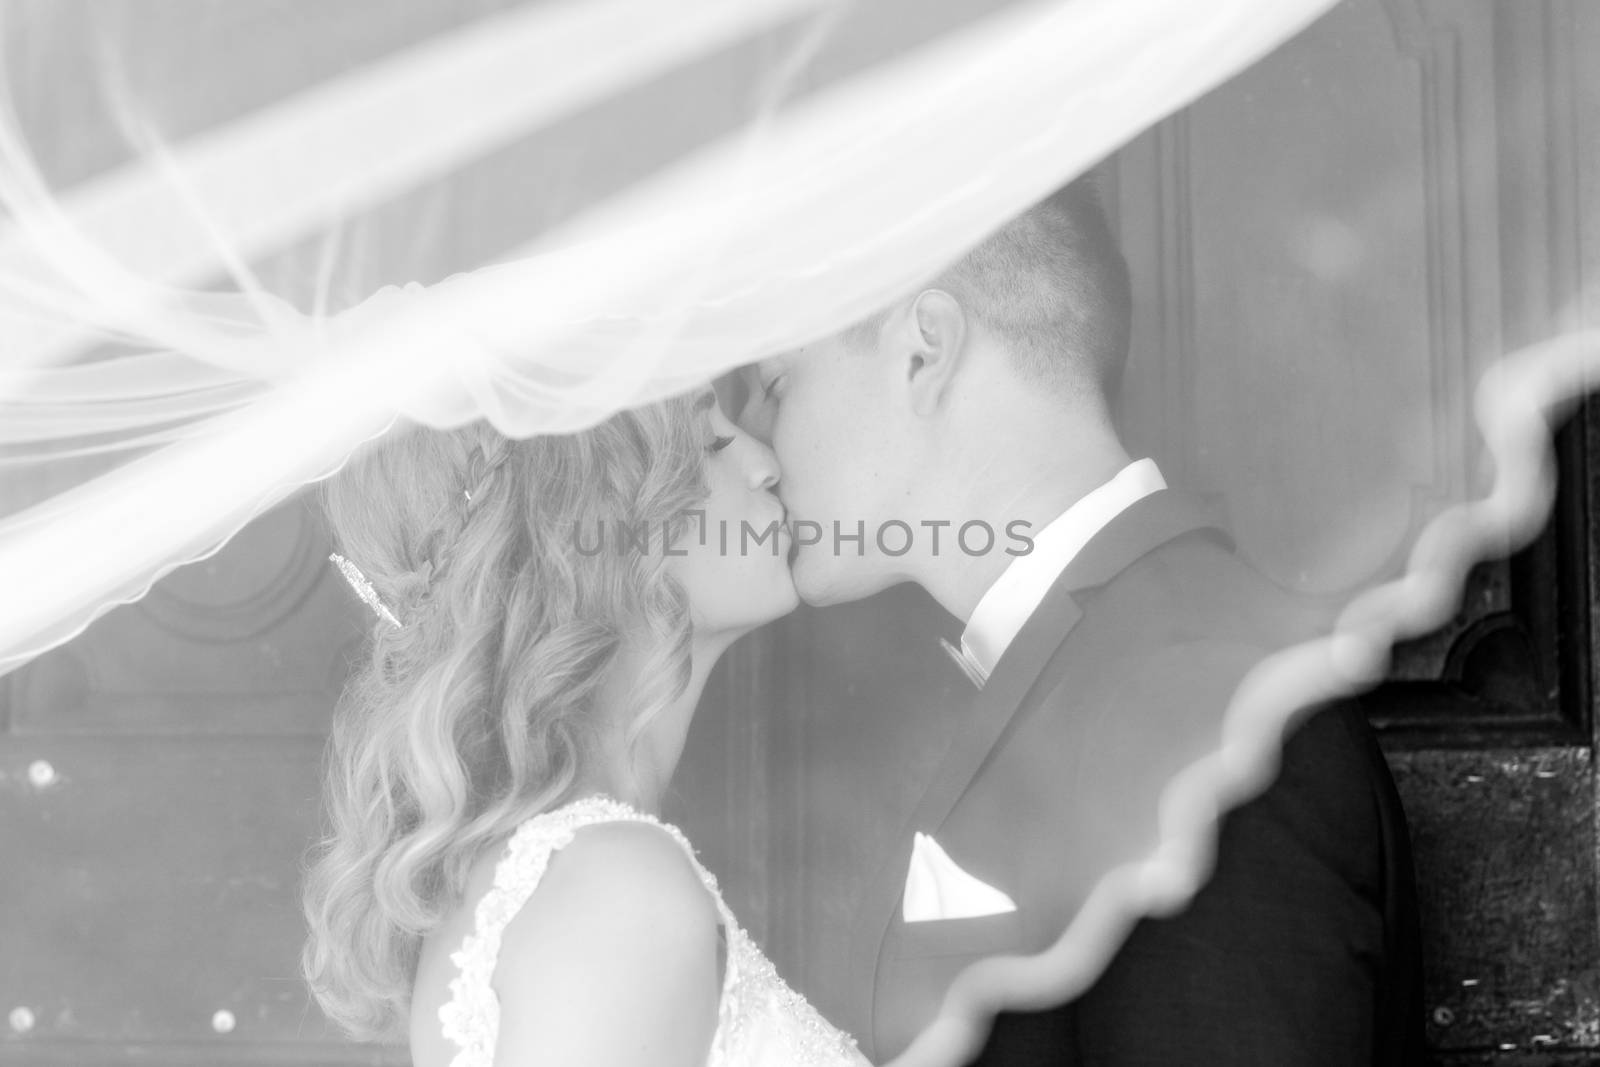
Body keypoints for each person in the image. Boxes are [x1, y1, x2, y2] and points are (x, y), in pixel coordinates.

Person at [736, 177, 1426, 1065]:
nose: (753, 442)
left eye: (774, 385)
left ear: (924, 352)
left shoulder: (1194, 701)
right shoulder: (1106, 660)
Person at [300, 387, 868, 1067]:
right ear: (595, 529)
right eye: (710, 445)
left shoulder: (556, 874)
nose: (764, 463)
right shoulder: (616, 889)